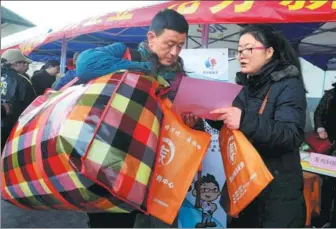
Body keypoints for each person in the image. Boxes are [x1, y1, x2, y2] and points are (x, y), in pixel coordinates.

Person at [61, 9, 195, 228]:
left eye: (180, 45)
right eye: (169, 44)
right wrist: (143, 69)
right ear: (152, 37)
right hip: (111, 156)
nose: (174, 52)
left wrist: (190, 121)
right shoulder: (126, 53)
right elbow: (85, 66)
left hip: (155, 161)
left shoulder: (180, 74)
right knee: (111, 221)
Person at [184, 24, 307, 227]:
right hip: (245, 186)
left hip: (276, 194)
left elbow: (291, 135)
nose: (242, 54)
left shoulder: (289, 85)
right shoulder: (244, 85)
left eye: (249, 49)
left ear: (269, 52)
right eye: (239, 50)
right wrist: (204, 117)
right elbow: (232, 125)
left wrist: (243, 120)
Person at [1, 49, 37, 150]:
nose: (26, 66)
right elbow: (31, 108)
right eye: (25, 63)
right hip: (12, 132)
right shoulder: (22, 80)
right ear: (16, 64)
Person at [312, 79, 336, 228]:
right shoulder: (330, 95)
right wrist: (320, 128)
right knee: (327, 184)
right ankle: (324, 217)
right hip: (330, 145)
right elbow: (318, 113)